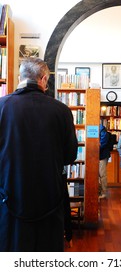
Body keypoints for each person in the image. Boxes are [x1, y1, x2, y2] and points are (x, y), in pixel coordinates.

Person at [0, 57, 78, 252]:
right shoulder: (62, 110)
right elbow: (70, 156)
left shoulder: (2, 106)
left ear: (20, 77)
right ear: (44, 79)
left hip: (9, 196)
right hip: (49, 198)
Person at [99, 124, 111, 199]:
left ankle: (104, 193)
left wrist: (96, 148)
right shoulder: (100, 128)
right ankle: (100, 191)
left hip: (102, 155)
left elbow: (103, 142)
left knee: (102, 174)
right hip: (98, 155)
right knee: (99, 174)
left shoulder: (101, 129)